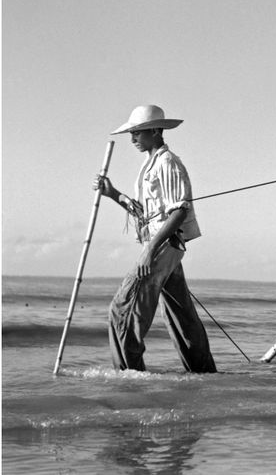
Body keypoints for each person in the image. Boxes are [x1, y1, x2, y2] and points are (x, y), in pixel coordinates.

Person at [93, 104, 216, 373]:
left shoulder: (167, 162)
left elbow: (179, 212)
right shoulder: (150, 164)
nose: (133, 138)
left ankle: (129, 376)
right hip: (165, 246)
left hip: (163, 246)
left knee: (123, 309)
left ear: (157, 131)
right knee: (180, 316)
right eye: (132, 133)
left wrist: (149, 251)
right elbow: (146, 212)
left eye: (138, 132)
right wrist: (114, 194)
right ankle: (204, 374)